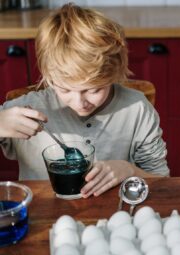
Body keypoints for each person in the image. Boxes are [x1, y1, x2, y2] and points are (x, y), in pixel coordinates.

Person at [0, 3, 169, 198]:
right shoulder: (25, 107)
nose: (79, 102)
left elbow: (162, 181)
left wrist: (129, 170)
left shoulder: (137, 109)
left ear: (114, 74)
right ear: (48, 76)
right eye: (64, 89)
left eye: (94, 90)